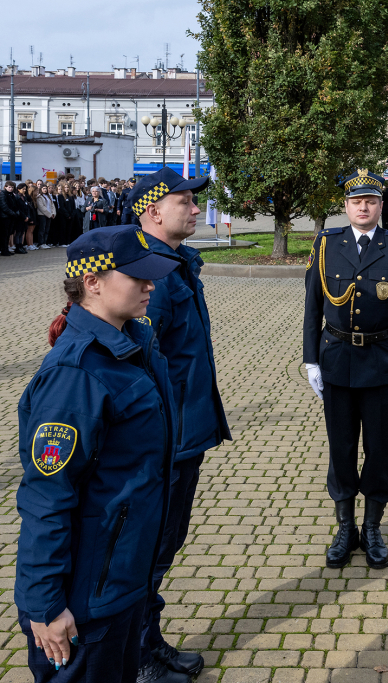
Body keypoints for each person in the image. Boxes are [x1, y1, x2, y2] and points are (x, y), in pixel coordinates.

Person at [16, 225, 180, 682]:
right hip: (86, 600)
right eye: (137, 277)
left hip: (122, 579)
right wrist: (46, 605)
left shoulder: (130, 345)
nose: (150, 285)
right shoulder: (78, 374)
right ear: (93, 282)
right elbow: (48, 498)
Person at [123, 168, 232, 682]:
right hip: (165, 440)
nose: (195, 209)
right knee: (150, 548)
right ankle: (138, 658)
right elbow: (140, 368)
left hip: (186, 433)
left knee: (165, 543)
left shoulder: (176, 263)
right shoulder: (151, 276)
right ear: (152, 212)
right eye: (185, 201)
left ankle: (149, 640)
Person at [304, 169, 388, 570]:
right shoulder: (326, 245)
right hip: (336, 360)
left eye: (371, 201)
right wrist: (310, 359)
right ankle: (345, 526)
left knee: (379, 449)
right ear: (347, 206)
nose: (364, 207)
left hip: (382, 362)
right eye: (357, 202)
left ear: (381, 206)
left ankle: (372, 526)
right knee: (340, 449)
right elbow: (313, 308)